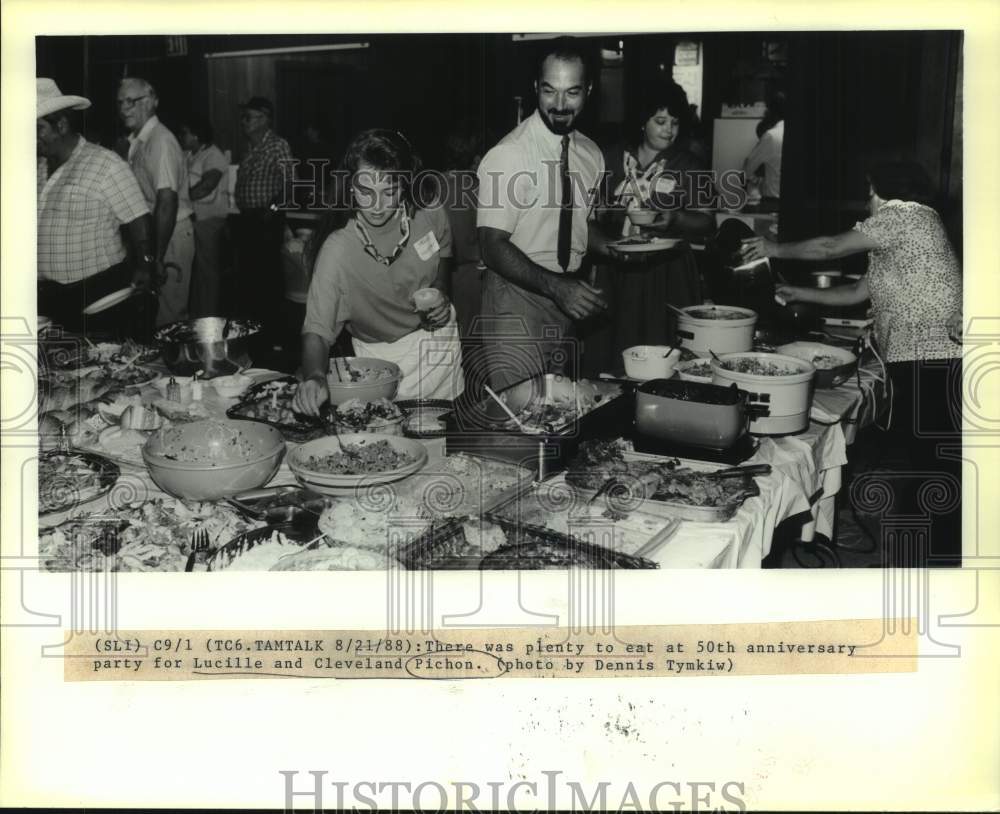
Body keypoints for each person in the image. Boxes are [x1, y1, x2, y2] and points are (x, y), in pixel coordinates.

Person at [741, 161, 963, 566]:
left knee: (935, 465)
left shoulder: (904, 216)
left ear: (880, 191)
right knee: (930, 460)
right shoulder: (906, 232)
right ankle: (935, 556)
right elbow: (861, 291)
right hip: (921, 358)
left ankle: (940, 562)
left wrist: (772, 247)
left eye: (868, 192)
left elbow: (828, 247)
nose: (866, 202)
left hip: (933, 357)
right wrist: (801, 294)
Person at [292, 129, 464, 416]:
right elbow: (317, 331)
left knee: (447, 442)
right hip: (380, 363)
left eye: (389, 191)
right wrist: (315, 377)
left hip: (439, 348)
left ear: (405, 185)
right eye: (365, 191)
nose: (377, 205)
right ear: (350, 186)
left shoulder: (428, 210)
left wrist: (440, 290)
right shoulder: (338, 250)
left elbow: (443, 252)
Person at [476, 37, 613, 390]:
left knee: (557, 414)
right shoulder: (509, 154)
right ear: (536, 87)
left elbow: (582, 224)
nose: (560, 105)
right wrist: (557, 287)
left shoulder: (591, 154)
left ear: (589, 91)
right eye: (550, 91)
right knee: (521, 417)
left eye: (572, 92)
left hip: (567, 304)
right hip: (515, 301)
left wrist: (617, 248)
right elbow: (491, 245)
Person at [584, 79, 715, 376]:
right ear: (642, 122)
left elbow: (707, 222)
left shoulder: (688, 164)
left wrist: (676, 218)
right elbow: (590, 213)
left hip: (667, 272)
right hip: (614, 266)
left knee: (662, 357)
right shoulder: (609, 158)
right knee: (610, 354)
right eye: (660, 121)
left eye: (675, 122)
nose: (669, 129)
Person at [36, 78, 156, 338]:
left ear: (62, 125)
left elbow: (138, 219)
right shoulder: (36, 168)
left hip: (98, 296)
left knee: (103, 370)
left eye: (38, 129)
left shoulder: (105, 164)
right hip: (49, 297)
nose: (32, 138)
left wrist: (146, 265)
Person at [118, 77, 195, 328]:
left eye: (132, 101)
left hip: (171, 234)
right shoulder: (139, 141)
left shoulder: (160, 141)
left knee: (170, 315)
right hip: (159, 233)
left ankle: (178, 365)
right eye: (120, 102)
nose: (124, 108)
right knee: (157, 311)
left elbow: (166, 201)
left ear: (151, 102)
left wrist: (158, 257)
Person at [232, 96, 294, 348]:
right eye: (243, 117)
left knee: (268, 281)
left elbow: (291, 183)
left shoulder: (278, 145)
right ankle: (255, 335)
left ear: (264, 119)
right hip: (247, 221)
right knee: (249, 281)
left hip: (266, 220)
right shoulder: (250, 147)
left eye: (249, 117)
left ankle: (274, 338)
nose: (243, 122)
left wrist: (272, 209)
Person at [179, 115, 230, 317]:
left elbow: (207, 186)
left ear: (197, 135)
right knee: (197, 272)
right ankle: (198, 315)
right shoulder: (189, 154)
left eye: (184, 133)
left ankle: (208, 316)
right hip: (194, 220)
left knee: (207, 273)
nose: (181, 137)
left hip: (208, 221)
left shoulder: (213, 155)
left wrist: (182, 199)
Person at [743, 90, 785, 204]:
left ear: (771, 111)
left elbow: (747, 169)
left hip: (773, 201)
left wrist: (756, 179)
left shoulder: (771, 136)